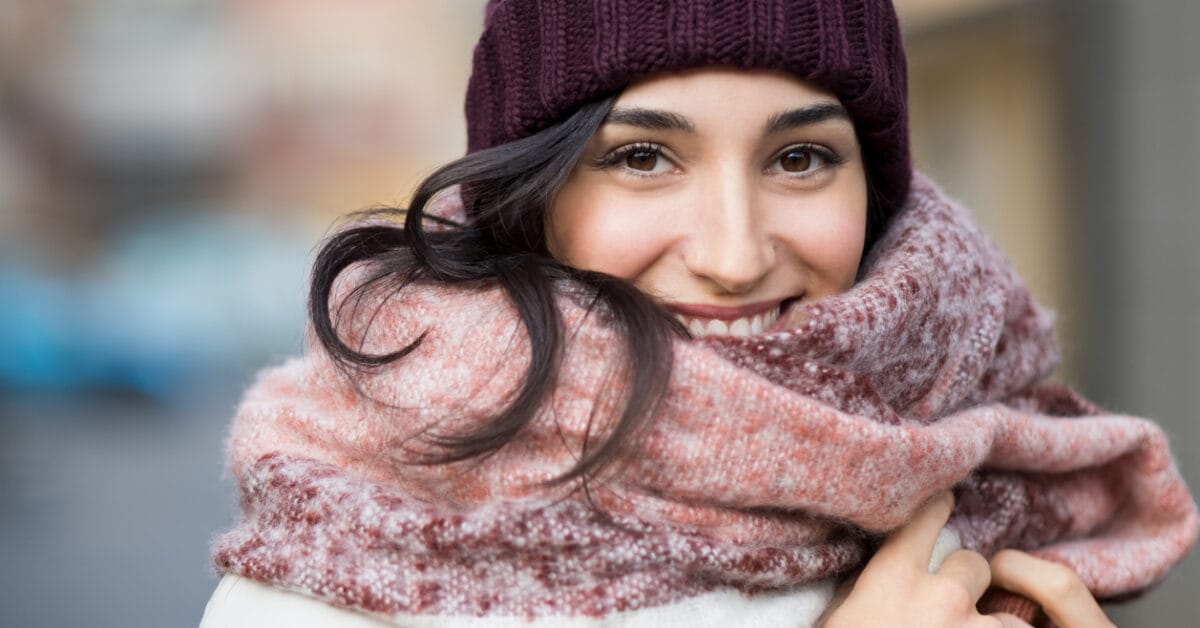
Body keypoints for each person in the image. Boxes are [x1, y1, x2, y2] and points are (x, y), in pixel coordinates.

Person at [202, 1, 1198, 626]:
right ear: (532, 192)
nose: (733, 252)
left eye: (800, 157)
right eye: (643, 157)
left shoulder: (989, 476)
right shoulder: (361, 541)